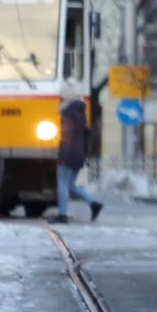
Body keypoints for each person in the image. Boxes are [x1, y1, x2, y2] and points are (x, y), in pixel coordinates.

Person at [51, 83, 103, 224]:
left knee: (62, 184)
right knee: (71, 185)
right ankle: (93, 203)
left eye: (62, 96)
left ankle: (62, 215)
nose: (60, 99)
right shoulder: (80, 112)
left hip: (69, 154)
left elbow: (67, 135)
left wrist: (62, 156)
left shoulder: (68, 112)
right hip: (79, 153)